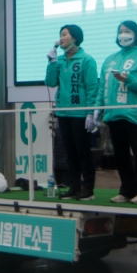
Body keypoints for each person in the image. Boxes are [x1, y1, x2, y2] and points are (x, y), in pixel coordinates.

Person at [95, 21, 137, 204]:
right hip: (113, 114)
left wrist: (129, 78)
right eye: (120, 31)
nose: (123, 34)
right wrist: (97, 110)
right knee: (120, 155)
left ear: (136, 34)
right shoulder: (110, 59)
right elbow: (102, 87)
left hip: (134, 114)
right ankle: (126, 190)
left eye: (127, 31)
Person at [44, 24, 99, 200]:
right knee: (70, 153)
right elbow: (51, 82)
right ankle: (73, 186)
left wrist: (91, 113)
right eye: (60, 35)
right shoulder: (59, 60)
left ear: (74, 37)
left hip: (80, 114)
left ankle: (88, 188)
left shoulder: (86, 60)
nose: (61, 38)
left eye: (64, 34)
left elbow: (92, 88)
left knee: (83, 152)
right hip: (63, 112)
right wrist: (52, 63)